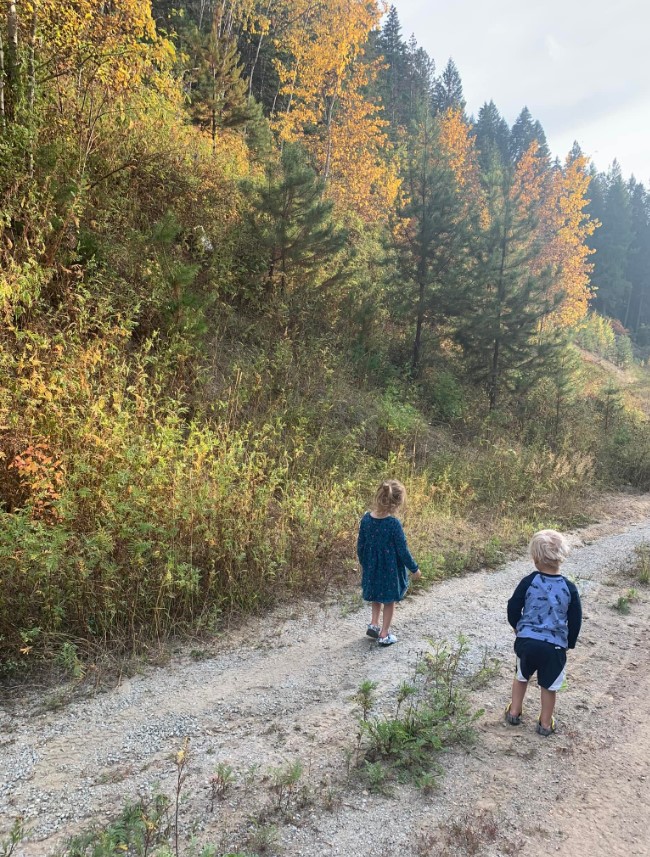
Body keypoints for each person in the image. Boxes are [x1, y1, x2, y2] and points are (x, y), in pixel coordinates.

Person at [505, 529, 582, 736]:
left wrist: (516, 625)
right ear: (561, 557)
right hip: (554, 646)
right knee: (549, 685)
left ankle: (514, 712)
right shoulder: (569, 588)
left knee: (521, 676)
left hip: (527, 641)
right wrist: (570, 642)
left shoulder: (529, 581)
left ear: (535, 558)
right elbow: (575, 619)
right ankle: (546, 724)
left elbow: (513, 605)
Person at [357, 479, 421, 646]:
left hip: (372, 567)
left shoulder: (366, 519)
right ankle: (384, 634)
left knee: (376, 596)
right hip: (390, 570)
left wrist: (365, 563)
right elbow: (402, 550)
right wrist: (414, 569)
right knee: (389, 600)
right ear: (397, 502)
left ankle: (374, 624)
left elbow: (361, 546)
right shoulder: (393, 524)